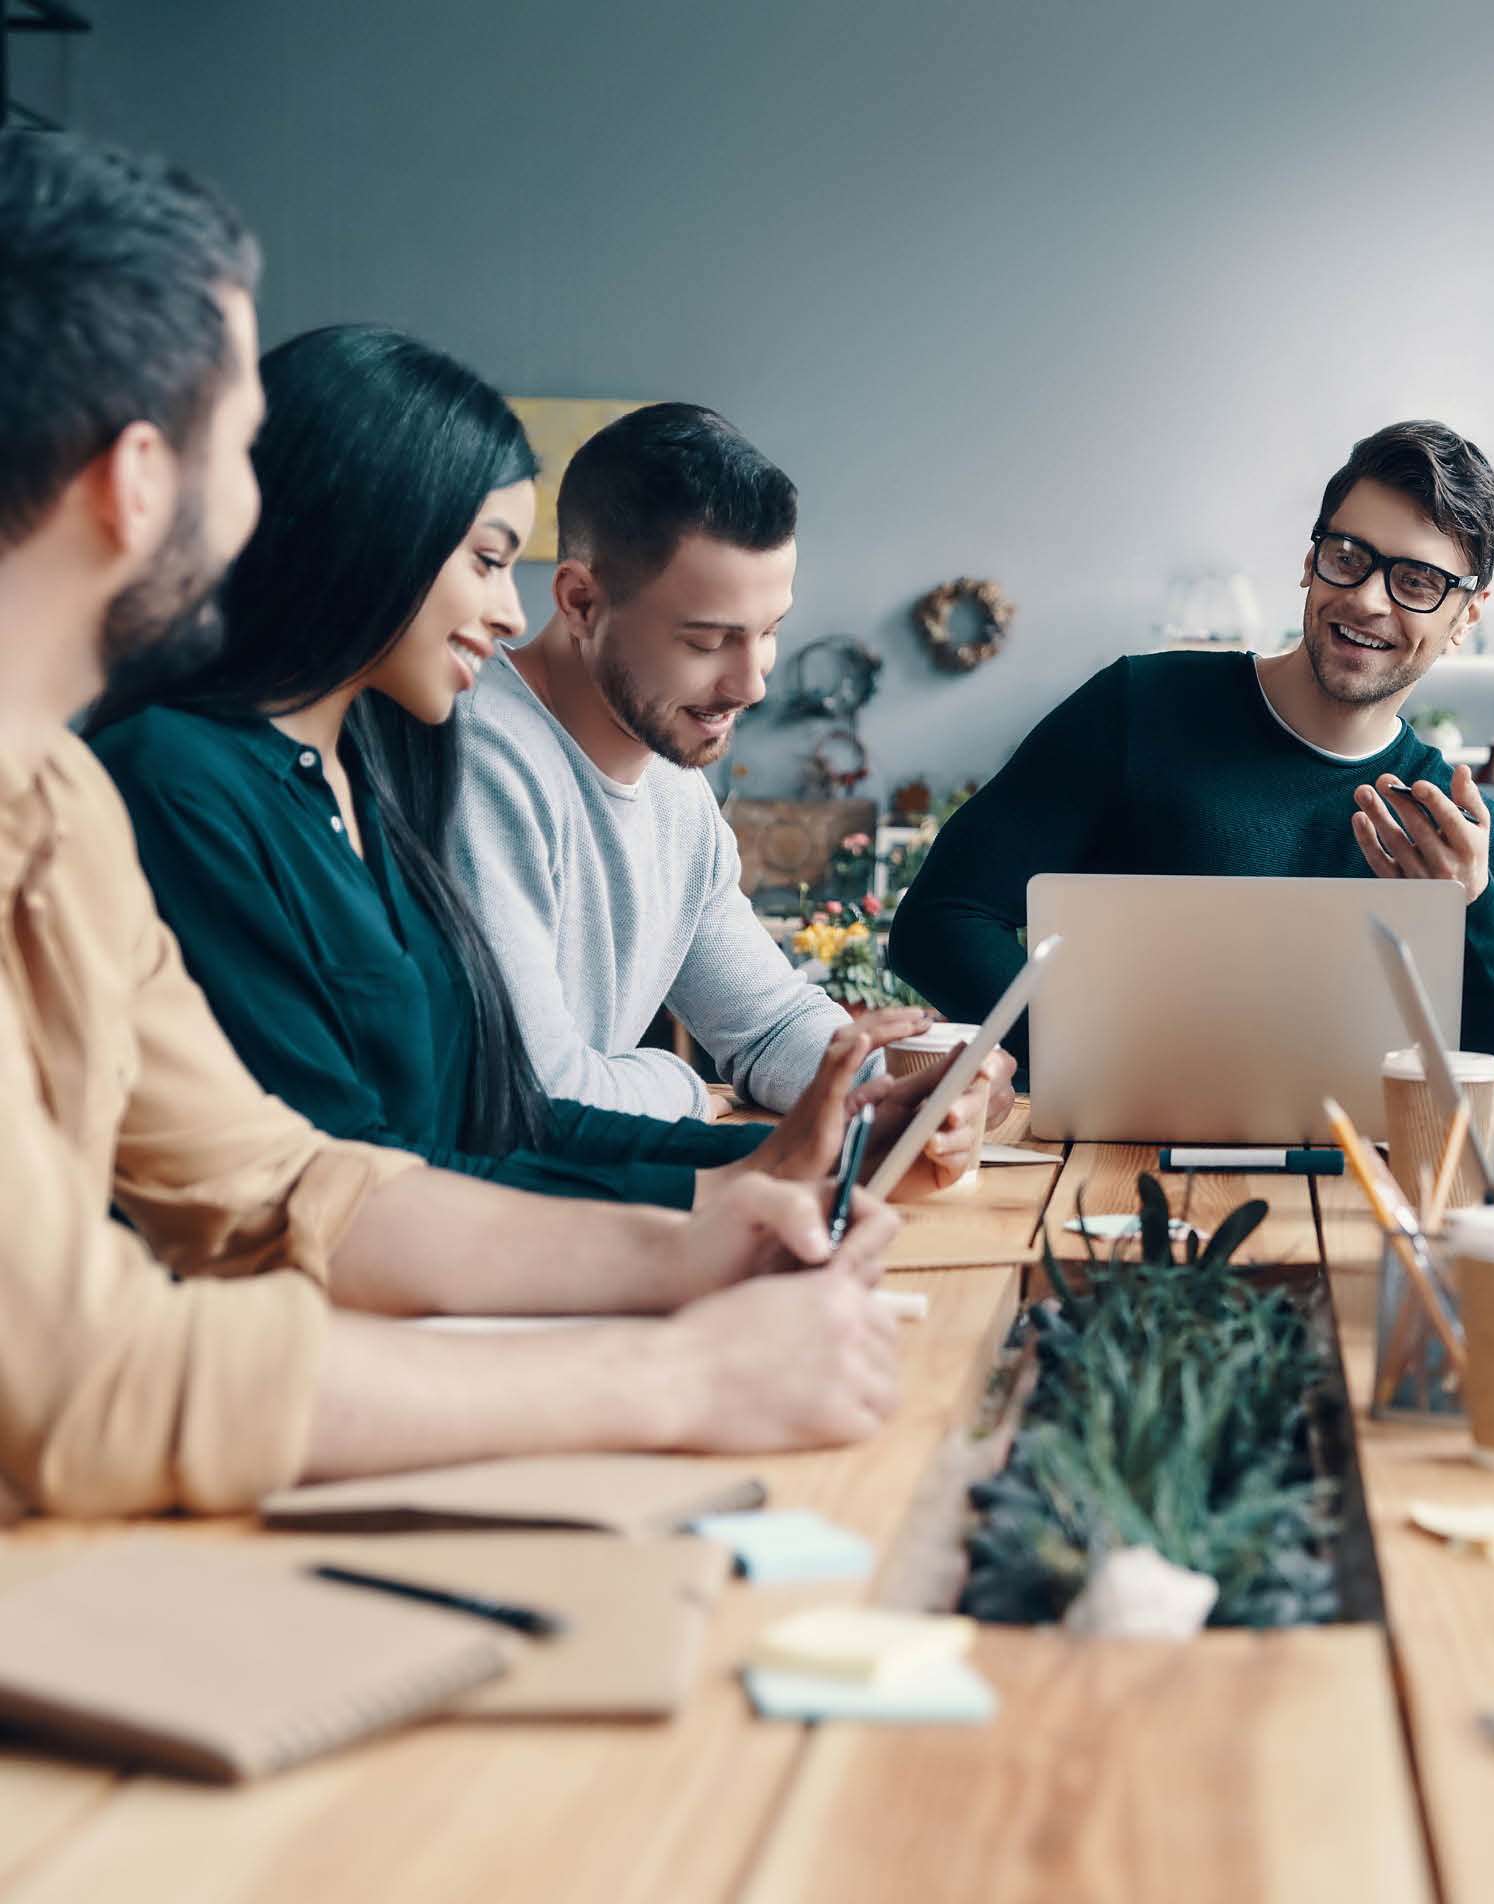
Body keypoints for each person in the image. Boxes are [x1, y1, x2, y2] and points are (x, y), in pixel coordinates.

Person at [0, 129, 910, 1518]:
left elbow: (289, 1184)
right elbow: (84, 1377)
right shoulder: (165, 776)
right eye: (242, 447)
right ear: (138, 481)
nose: (261, 501)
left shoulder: (57, 800)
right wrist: (676, 1376)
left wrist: (697, 1249)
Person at [87, 325, 997, 1208]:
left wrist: (858, 1122)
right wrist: (700, 1126)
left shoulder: (355, 777)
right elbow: (431, 1151)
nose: (752, 682)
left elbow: (475, 1129)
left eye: (770, 635)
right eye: (488, 560)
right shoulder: (378, 762)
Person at [885, 419, 1494, 1076]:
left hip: (1345, 1173)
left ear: (1465, 618)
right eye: (1346, 556)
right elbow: (941, 921)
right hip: (1110, 1159)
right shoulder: (1139, 705)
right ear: (1309, 560)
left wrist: (1469, 902)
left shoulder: (1468, 843)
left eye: (1418, 582)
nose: (1368, 599)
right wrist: (1094, 1062)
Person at [444, 403, 870, 1121]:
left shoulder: (676, 787)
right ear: (581, 602)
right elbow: (532, 1096)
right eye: (707, 642)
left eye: (768, 632)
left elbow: (768, 1024)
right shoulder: (481, 759)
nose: (752, 684)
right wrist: (681, 1086)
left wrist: (899, 1087)